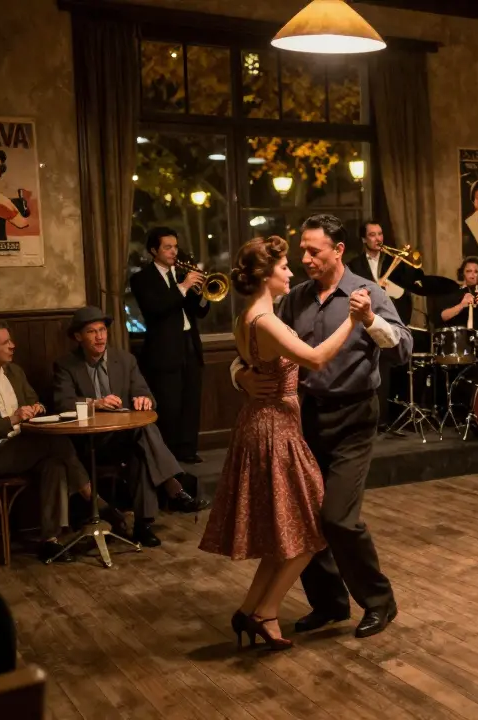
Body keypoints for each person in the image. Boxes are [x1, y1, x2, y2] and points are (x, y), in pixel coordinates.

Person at [232, 213, 410, 639]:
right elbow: (256, 349)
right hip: (302, 419)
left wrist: (369, 320)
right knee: (304, 518)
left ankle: (379, 603)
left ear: (338, 250)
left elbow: (402, 347)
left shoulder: (368, 293)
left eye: (314, 251)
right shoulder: (294, 298)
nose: (306, 258)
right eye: (302, 251)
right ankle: (329, 604)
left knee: (338, 519)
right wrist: (240, 376)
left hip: (353, 418)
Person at [200, 236, 359, 650]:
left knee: (285, 532)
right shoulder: (264, 320)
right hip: (275, 430)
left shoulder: (247, 318)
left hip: (263, 423)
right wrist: (354, 321)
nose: (291, 272)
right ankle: (265, 612)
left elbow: (248, 362)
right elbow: (317, 358)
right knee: (307, 530)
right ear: (265, 275)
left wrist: (241, 376)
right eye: (284, 267)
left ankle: (250, 609)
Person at [52, 306, 207, 548]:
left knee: (142, 444)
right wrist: (96, 403)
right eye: (92, 332)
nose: (100, 337)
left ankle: (143, 526)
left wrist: (143, 400)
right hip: (88, 441)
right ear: (77, 337)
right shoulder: (66, 365)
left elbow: (146, 394)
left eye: (102, 330)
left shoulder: (124, 360)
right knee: (144, 441)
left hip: (122, 438)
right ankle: (174, 489)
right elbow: (62, 403)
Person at [0, 320, 94, 563]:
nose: (13, 346)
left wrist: (37, 408)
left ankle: (50, 541)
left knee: (55, 464)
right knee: (55, 444)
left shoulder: (15, 372)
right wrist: (12, 418)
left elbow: (35, 401)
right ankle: (95, 502)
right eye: (6, 342)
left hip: (26, 447)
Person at [128, 226, 210, 463]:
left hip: (189, 344)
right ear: (154, 250)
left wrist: (203, 292)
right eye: (168, 247)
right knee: (170, 404)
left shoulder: (182, 274)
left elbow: (199, 312)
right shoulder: (142, 279)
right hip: (164, 348)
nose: (174, 251)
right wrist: (183, 288)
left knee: (191, 401)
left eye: (175, 246)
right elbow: (155, 309)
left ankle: (188, 450)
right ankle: (169, 455)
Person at [346, 220, 423, 429]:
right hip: (363, 326)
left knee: (390, 372)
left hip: (388, 323)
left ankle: (386, 419)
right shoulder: (353, 266)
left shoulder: (394, 262)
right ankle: (368, 420)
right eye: (372, 235)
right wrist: (373, 289)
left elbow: (406, 295)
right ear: (364, 239)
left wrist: (388, 290)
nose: (378, 239)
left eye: (380, 234)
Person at [438, 256, 478, 328]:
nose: (472, 275)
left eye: (476, 272)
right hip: (461, 336)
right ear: (462, 273)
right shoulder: (454, 291)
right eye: (468, 271)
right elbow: (443, 317)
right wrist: (461, 305)